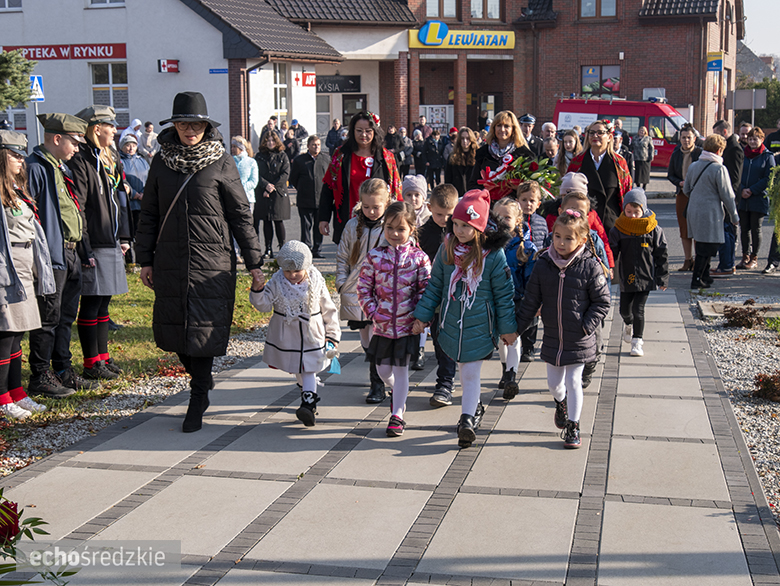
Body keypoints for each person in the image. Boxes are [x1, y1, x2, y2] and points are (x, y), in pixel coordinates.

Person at [135, 91, 264, 433]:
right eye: (183, 123)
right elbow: (149, 214)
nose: (189, 129)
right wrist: (143, 259)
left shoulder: (221, 162)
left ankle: (196, 397)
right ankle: (201, 382)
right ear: (174, 125)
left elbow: (240, 214)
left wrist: (254, 262)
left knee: (203, 330)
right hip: (170, 259)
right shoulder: (161, 161)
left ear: (206, 126)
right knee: (176, 330)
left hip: (213, 261)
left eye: (196, 124)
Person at [413, 189, 517, 448]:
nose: (459, 230)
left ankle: (467, 419)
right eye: (456, 224)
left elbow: (504, 295)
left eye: (466, 226)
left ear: (480, 228)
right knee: (462, 370)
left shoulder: (493, 256)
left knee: (470, 373)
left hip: (480, 325)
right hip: (450, 324)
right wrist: (423, 317)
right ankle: (474, 408)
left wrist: (507, 330)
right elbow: (435, 286)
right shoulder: (446, 249)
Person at [515, 210, 611, 448]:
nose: (561, 242)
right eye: (557, 236)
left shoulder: (590, 265)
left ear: (581, 239)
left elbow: (602, 301)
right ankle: (561, 404)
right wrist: (515, 330)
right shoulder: (543, 263)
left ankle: (573, 426)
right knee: (555, 385)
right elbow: (530, 301)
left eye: (568, 238)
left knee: (574, 381)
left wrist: (585, 326)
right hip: (553, 338)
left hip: (579, 338)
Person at [26, 113, 92, 396]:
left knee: (65, 317)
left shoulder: (60, 168)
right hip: (52, 256)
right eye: (74, 143)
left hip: (70, 252)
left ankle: (63, 369)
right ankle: (40, 375)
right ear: (57, 139)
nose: (77, 148)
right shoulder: (36, 168)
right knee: (48, 318)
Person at [68, 105, 131, 381]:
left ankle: (103, 357)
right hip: (94, 242)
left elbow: (119, 201)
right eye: (111, 126)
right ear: (96, 129)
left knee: (104, 302)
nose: (116, 131)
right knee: (92, 303)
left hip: (111, 239)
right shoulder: (82, 161)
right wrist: (85, 247)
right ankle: (91, 362)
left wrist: (125, 237)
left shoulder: (105, 158)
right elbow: (79, 208)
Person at [357, 201, 431, 436]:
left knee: (401, 371)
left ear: (412, 229)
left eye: (401, 229)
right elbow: (363, 289)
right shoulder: (375, 257)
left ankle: (397, 414)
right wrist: (373, 313)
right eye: (389, 228)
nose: (395, 234)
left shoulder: (419, 258)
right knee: (382, 370)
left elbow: (425, 290)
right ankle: (395, 391)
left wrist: (420, 317)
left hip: (407, 327)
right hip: (382, 326)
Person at [249, 241, 340, 427]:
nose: (291, 276)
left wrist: (332, 334)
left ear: (306, 267)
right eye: (287, 271)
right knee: (299, 370)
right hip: (287, 337)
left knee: (308, 368)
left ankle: (308, 404)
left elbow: (328, 309)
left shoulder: (316, 281)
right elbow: (264, 305)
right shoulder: (276, 282)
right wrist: (258, 289)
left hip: (312, 335)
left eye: (297, 271)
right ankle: (307, 391)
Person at [0, 130, 55, 418]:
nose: (21, 160)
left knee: (18, 332)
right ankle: (2, 399)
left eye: (21, 154)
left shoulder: (15, 188)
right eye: (14, 155)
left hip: (24, 263)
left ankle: (16, 393)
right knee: (5, 334)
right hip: (5, 267)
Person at [336, 178, 391, 403]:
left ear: (386, 203)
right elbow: (342, 257)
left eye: (376, 207)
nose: (370, 211)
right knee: (366, 338)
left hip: (383, 291)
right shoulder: (352, 226)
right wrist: (341, 283)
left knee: (378, 336)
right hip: (357, 291)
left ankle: (377, 384)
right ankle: (377, 373)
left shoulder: (391, 224)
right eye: (366, 206)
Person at [317, 111, 402, 245]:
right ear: (352, 131)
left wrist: (400, 218)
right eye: (359, 130)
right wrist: (323, 218)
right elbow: (328, 187)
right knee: (348, 262)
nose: (363, 135)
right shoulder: (340, 155)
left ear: (375, 131)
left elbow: (396, 191)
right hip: (347, 219)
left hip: (379, 223)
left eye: (368, 131)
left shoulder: (387, 158)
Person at [608, 188, 668, 358]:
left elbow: (661, 254)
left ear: (644, 209)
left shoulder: (653, 229)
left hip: (645, 276)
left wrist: (662, 277)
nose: (632, 216)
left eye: (636, 212)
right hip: (627, 276)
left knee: (638, 308)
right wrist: (609, 268)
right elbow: (612, 251)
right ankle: (629, 323)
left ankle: (637, 342)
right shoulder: (619, 228)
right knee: (625, 310)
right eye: (628, 212)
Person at [417, 184, 458, 407]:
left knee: (450, 338)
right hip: (433, 294)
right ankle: (445, 382)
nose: (444, 219)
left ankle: (447, 381)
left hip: (456, 294)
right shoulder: (422, 233)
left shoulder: (460, 231)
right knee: (440, 338)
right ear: (429, 207)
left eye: (449, 214)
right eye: (439, 214)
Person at [493, 197, 536, 399]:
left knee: (513, 337)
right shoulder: (488, 244)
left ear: (518, 220)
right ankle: (504, 369)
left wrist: (532, 301)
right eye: (497, 216)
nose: (502, 221)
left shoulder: (526, 248)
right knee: (502, 340)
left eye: (507, 217)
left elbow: (532, 278)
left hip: (517, 299)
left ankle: (511, 375)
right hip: (495, 299)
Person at [684, 134, 740, 289]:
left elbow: (686, 189)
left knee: (701, 244)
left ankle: (705, 276)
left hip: (694, 211)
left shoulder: (694, 165)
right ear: (719, 150)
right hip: (711, 213)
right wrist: (734, 216)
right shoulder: (719, 168)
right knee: (708, 247)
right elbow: (727, 195)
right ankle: (697, 279)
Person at [567, 119, 632, 233]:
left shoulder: (619, 163)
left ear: (609, 137)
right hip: (584, 222)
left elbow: (627, 193)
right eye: (591, 133)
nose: (595, 136)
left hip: (612, 224)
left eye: (600, 133)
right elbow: (568, 192)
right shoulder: (577, 162)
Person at [402, 174, 431, 371]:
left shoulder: (430, 217)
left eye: (417, 195)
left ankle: (419, 349)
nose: (413, 199)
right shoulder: (400, 214)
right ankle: (407, 346)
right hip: (405, 271)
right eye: (409, 194)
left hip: (424, 269)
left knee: (422, 308)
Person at [468, 110, 534, 198]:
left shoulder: (524, 154)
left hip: (513, 205)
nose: (502, 129)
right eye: (499, 125)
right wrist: (484, 191)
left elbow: (532, 186)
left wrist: (518, 188)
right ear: (494, 128)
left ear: (513, 129)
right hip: (488, 204)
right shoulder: (483, 153)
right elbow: (473, 183)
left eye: (506, 126)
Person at [735, 127, 775, 270]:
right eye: (750, 139)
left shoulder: (767, 156)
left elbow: (768, 177)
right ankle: (744, 256)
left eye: (755, 139)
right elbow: (736, 173)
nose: (752, 141)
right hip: (743, 197)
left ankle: (754, 257)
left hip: (758, 197)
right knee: (744, 228)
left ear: (762, 140)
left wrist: (752, 190)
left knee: (755, 228)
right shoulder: (742, 154)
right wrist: (742, 189)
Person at [711, 120, 744, 276]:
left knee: (727, 232)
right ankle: (725, 264)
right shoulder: (728, 148)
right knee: (725, 231)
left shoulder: (734, 149)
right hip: (725, 195)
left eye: (717, 133)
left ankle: (727, 265)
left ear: (724, 132)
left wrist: (730, 199)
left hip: (728, 197)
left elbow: (735, 178)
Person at [667, 123, 701, 272]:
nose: (686, 140)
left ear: (694, 138)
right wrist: (679, 182)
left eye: (689, 137)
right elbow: (670, 175)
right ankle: (688, 259)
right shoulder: (676, 154)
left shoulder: (700, 153)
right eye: (683, 138)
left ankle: (699, 260)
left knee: (697, 228)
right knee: (684, 229)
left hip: (698, 194)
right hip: (682, 194)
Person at [290, 136, 329, 258]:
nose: (316, 147)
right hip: (305, 198)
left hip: (321, 200)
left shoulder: (326, 159)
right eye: (313, 145)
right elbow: (293, 179)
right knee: (306, 226)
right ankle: (306, 250)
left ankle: (317, 250)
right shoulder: (300, 160)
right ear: (308, 146)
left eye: (318, 144)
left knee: (319, 226)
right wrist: (302, 188)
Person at [254, 130, 290, 259]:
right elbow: (256, 173)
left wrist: (272, 186)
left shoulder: (282, 155)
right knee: (266, 221)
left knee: (278, 220)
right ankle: (268, 249)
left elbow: (285, 173)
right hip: (264, 192)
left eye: (272, 140)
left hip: (278, 192)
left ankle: (282, 248)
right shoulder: (259, 156)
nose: (270, 143)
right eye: (268, 140)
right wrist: (265, 185)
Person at [119, 133, 150, 261]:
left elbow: (149, 178)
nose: (131, 148)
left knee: (142, 232)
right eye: (127, 145)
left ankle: (141, 259)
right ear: (122, 147)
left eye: (133, 145)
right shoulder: (120, 161)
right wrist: (135, 194)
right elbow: (121, 181)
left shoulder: (142, 160)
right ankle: (130, 261)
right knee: (129, 233)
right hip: (129, 203)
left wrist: (145, 194)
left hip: (143, 203)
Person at [445, 127, 478, 197]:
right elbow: (448, 179)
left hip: (474, 195)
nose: (465, 141)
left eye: (467, 138)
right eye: (462, 138)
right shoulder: (452, 156)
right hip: (457, 195)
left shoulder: (478, 156)